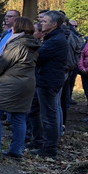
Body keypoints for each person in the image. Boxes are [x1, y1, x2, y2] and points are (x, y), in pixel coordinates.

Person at [0, 17, 40, 159]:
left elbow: (3, 63)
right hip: (28, 83)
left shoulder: (17, 44)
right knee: (19, 116)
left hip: (11, 82)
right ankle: (16, 151)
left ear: (17, 28)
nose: (11, 28)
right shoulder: (33, 44)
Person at [28, 10, 68, 158]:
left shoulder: (56, 40)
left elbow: (39, 57)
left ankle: (50, 148)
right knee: (34, 110)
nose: (41, 24)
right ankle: (38, 140)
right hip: (43, 80)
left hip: (48, 82)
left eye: (44, 21)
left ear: (54, 24)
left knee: (48, 115)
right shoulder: (51, 38)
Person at [79, 39, 88, 122]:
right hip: (85, 73)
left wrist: (87, 69)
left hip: (87, 71)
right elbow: (81, 54)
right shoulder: (87, 42)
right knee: (87, 93)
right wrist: (81, 67)